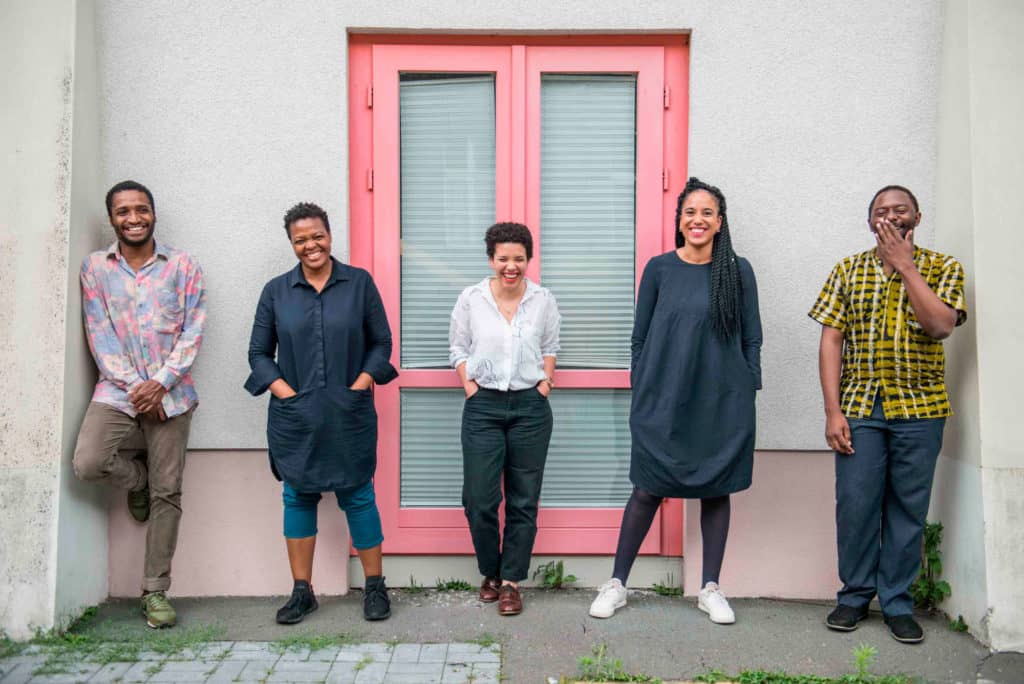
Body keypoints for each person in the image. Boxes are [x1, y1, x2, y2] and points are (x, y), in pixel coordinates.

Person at [589, 177, 762, 625]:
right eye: (690, 212)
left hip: (722, 400)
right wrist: (642, 382)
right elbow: (640, 337)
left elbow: (752, 337)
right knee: (647, 487)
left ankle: (710, 588)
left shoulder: (738, 271)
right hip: (662, 397)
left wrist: (747, 386)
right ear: (679, 221)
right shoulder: (660, 269)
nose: (697, 219)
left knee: (716, 489)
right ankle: (617, 583)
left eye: (707, 212)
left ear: (720, 223)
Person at [809, 185, 966, 644]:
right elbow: (831, 340)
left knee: (907, 509)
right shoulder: (848, 269)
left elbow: (939, 326)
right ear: (869, 222)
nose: (891, 216)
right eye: (881, 211)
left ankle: (897, 602)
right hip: (860, 407)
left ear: (916, 217)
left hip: (921, 409)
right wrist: (832, 410)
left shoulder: (943, 267)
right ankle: (855, 596)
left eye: (900, 209)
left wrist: (905, 266)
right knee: (856, 504)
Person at [245, 202, 398, 624]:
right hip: (296, 415)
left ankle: (375, 588)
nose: (310, 245)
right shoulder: (276, 292)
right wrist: (286, 393)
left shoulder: (359, 284)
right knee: (297, 495)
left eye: (317, 236)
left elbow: (381, 343)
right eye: (300, 239)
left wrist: (360, 384)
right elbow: (258, 354)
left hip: (348, 412)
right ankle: (302, 592)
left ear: (330, 235)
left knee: (358, 494)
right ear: (291, 244)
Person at [73, 180, 207, 629]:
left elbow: (193, 332)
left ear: (153, 213)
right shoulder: (95, 268)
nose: (133, 218)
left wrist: (162, 382)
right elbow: (99, 333)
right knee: (89, 462)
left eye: (141, 209)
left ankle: (154, 590)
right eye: (123, 211)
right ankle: (136, 478)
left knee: (167, 493)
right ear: (111, 218)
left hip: (173, 394)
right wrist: (138, 387)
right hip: (118, 390)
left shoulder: (183, 266)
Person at [449, 222, 561, 616]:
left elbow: (550, 345)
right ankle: (490, 571)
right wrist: (470, 387)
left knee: (523, 499)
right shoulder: (471, 299)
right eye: (503, 258)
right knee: (479, 498)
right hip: (484, 407)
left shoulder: (543, 300)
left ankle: (511, 581)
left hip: (530, 407)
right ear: (491, 259)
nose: (510, 266)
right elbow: (458, 347)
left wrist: (545, 382)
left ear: (529, 260)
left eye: (518, 258)